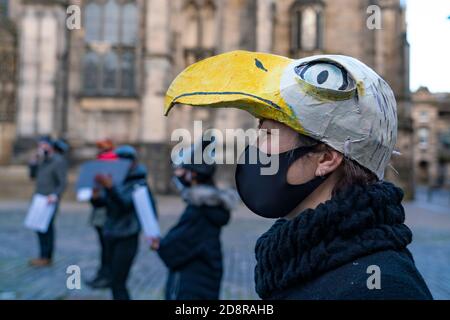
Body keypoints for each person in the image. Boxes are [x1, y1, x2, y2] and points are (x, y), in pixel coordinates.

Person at [163, 51, 433, 299]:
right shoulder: (296, 257)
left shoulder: (382, 288)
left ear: (326, 158)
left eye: (267, 134)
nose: (254, 146)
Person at [154, 139, 237, 300]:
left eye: (182, 170)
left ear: (193, 174)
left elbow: (175, 248)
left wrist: (159, 245)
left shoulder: (199, 210)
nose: (178, 175)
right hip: (205, 278)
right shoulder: (208, 206)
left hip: (193, 285)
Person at [91, 145, 156, 300]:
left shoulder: (139, 183)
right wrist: (96, 197)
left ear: (132, 164)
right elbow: (106, 204)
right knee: (113, 279)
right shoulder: (115, 179)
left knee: (118, 281)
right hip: (111, 232)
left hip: (127, 235)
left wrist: (110, 187)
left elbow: (125, 204)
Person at [28, 136, 68, 267]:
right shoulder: (41, 160)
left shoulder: (58, 161)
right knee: (38, 227)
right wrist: (33, 163)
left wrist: (55, 195)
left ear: (50, 146)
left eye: (44, 145)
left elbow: (62, 183)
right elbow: (32, 176)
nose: (42, 147)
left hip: (49, 200)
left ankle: (46, 256)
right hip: (39, 198)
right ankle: (42, 255)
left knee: (47, 228)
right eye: (40, 145)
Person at [86, 139, 119, 289]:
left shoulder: (111, 163)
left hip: (107, 212)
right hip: (101, 211)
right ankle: (103, 274)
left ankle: (107, 276)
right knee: (105, 247)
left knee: (107, 248)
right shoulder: (100, 163)